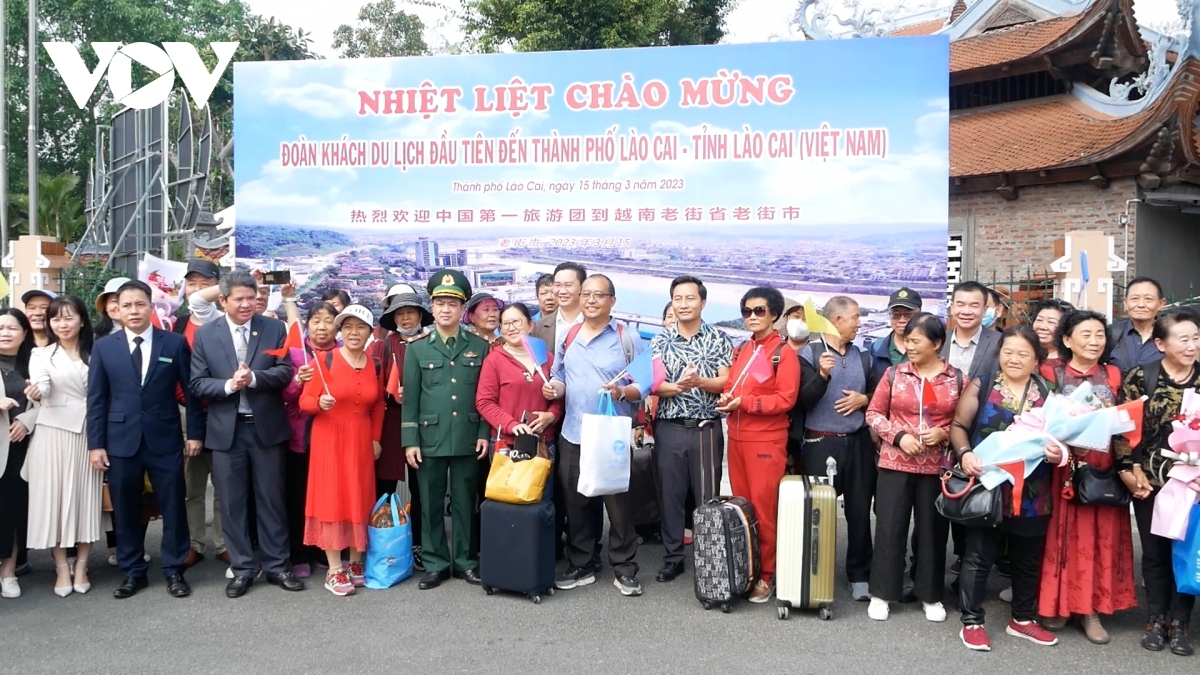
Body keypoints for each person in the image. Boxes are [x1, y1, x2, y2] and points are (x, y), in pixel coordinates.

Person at [87, 280, 203, 599]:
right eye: (127, 305)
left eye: (140, 304)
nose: (134, 310)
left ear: (151, 307)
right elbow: (96, 399)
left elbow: (191, 393)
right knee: (125, 508)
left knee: (172, 504)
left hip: (165, 437)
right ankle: (133, 571)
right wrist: (95, 444)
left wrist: (194, 433)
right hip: (120, 440)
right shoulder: (104, 348)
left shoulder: (174, 343)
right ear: (117, 311)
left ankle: (174, 569)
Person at [190, 271, 303, 598]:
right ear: (223, 301)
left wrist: (253, 379)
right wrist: (228, 385)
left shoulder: (273, 328)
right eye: (238, 299)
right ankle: (242, 569)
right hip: (227, 431)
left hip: (265, 427)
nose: (245, 304)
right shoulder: (207, 334)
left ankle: (277, 566)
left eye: (251, 298)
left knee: (271, 499)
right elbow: (197, 383)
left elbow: (285, 372)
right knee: (232, 502)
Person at [952, 326, 1061, 651]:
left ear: (1037, 359)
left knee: (1027, 559)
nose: (1013, 359)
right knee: (978, 555)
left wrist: (1059, 452)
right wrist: (965, 453)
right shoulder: (983, 385)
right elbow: (958, 426)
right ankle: (971, 621)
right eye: (1008, 352)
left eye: (1022, 353)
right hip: (989, 484)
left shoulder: (1048, 392)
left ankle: (1022, 619)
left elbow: (1061, 437)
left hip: (1033, 489)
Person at [545, 274, 649, 596]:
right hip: (573, 432)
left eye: (598, 295)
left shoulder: (627, 337)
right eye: (586, 294)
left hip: (610, 435)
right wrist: (554, 388)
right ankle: (583, 562)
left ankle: (625, 567)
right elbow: (559, 376)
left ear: (612, 301)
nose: (590, 300)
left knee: (618, 504)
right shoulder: (569, 334)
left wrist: (622, 391)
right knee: (576, 503)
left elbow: (643, 384)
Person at [1038, 310, 1137, 643]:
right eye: (1086, 334)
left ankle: (1090, 608)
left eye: (1099, 334)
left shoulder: (1114, 375)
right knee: (1061, 535)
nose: (1094, 341)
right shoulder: (1049, 373)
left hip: (1102, 464)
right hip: (1061, 465)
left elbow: (1126, 424)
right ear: (1067, 339)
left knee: (1098, 536)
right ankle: (1057, 605)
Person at [866, 312, 963, 623]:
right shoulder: (895, 374)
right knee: (889, 528)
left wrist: (944, 434)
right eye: (907, 340)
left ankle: (930, 595)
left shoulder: (956, 379)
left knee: (933, 532)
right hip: (895, 463)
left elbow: (962, 422)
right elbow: (873, 414)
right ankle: (882, 593)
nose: (909, 345)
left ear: (936, 343)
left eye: (916, 340)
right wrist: (899, 436)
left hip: (936, 467)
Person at [1114, 306, 1200, 656]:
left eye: (1196, 338)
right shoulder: (1141, 376)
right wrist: (1128, 470)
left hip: (1194, 484)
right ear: (1162, 344)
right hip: (1151, 482)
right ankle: (1157, 617)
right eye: (1183, 339)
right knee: (1153, 554)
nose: (1192, 345)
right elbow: (1124, 429)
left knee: (1186, 551)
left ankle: (1181, 622)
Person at [402, 269, 491, 590]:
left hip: (468, 436)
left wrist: (483, 432)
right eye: (439, 302)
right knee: (429, 502)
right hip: (429, 438)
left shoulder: (479, 346)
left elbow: (485, 396)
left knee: (467, 501)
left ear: (462, 308)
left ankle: (466, 561)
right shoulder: (417, 347)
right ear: (432, 306)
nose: (445, 309)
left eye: (452, 304)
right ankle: (436, 562)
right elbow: (410, 399)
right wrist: (410, 440)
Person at [718, 286, 800, 603]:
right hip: (737, 437)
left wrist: (746, 402)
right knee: (742, 508)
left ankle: (766, 575)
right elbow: (730, 385)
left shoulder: (783, 353)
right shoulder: (742, 350)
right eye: (747, 311)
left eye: (760, 311)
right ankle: (746, 569)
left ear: (775, 315)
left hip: (765, 440)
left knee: (764, 512)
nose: (752, 316)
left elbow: (786, 399)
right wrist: (727, 399)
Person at [648, 276, 731, 583]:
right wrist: (677, 387)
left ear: (703, 303)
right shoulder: (660, 341)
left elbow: (725, 381)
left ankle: (709, 556)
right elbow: (655, 385)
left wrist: (700, 383)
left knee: (707, 496)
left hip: (706, 429)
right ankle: (673, 558)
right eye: (678, 299)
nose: (683, 304)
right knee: (670, 494)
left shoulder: (719, 339)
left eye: (690, 298)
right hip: (670, 428)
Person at [798, 296, 879, 601]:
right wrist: (821, 376)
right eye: (855, 318)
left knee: (859, 511)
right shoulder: (810, 353)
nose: (859, 323)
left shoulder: (864, 356)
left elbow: (879, 394)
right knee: (820, 513)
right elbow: (802, 400)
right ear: (836, 320)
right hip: (821, 442)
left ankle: (860, 575)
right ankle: (816, 573)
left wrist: (864, 399)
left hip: (857, 443)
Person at [300, 304, 384, 596]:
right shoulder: (324, 360)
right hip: (330, 439)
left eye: (360, 327)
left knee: (359, 496)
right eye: (347, 327)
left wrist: (375, 438)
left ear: (370, 332)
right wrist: (318, 403)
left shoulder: (374, 363)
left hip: (360, 439)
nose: (353, 333)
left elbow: (378, 405)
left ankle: (356, 560)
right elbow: (305, 401)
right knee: (333, 497)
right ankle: (335, 569)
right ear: (340, 331)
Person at [25, 296, 103, 597]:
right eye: (56, 319)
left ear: (81, 320)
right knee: (54, 501)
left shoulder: (99, 352)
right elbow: (42, 386)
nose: (62, 324)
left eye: (69, 318)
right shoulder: (41, 354)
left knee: (85, 498)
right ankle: (60, 566)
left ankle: (82, 564)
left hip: (90, 434)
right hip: (52, 433)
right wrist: (36, 391)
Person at [374, 291, 432, 571]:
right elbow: (374, 385)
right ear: (393, 318)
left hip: (423, 424)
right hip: (391, 423)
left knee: (422, 487)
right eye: (400, 313)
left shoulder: (431, 342)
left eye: (411, 312)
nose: (406, 317)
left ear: (421, 316)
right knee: (384, 485)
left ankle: (421, 543)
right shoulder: (384, 346)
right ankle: (381, 538)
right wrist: (390, 394)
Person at [280, 301, 339, 579]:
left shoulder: (345, 354)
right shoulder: (294, 354)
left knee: (329, 498)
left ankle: (322, 549)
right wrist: (297, 383)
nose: (322, 326)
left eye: (328, 320)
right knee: (298, 498)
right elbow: (283, 396)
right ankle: (299, 553)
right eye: (316, 320)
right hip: (299, 438)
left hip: (334, 439)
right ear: (308, 323)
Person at [176, 259, 226, 570]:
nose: (197, 289)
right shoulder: (176, 325)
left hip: (222, 411)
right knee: (190, 485)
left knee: (225, 485)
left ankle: (223, 542)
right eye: (191, 283)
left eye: (204, 283)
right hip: (184, 415)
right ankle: (194, 542)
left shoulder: (225, 320)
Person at [475, 302, 563, 474]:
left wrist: (551, 415)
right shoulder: (494, 360)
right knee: (507, 496)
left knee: (542, 496)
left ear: (530, 325)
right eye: (506, 324)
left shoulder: (547, 357)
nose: (511, 328)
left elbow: (559, 396)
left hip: (543, 442)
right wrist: (511, 424)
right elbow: (484, 402)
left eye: (516, 322)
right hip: (507, 444)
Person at [0, 310, 37, 599]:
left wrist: (27, 419)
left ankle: (9, 571)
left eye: (13, 327)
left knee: (13, 509)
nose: (5, 332)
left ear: (24, 333)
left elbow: (52, 400)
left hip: (18, 449)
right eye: (0, 327)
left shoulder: (35, 363)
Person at [1109, 276, 1169, 377]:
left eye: (1148, 299)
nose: (1141, 305)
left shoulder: (1170, 335)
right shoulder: (1111, 334)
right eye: (1135, 299)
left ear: (1161, 304)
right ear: (1125, 303)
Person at [531, 262, 586, 349]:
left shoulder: (596, 323)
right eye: (557, 285)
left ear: (583, 287)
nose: (562, 291)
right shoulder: (538, 327)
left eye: (568, 285)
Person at [870, 288, 922, 380]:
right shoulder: (875, 350)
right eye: (896, 315)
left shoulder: (930, 349)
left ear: (920, 315)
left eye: (908, 315)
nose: (902, 320)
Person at [1031, 298, 1074, 370]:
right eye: (1039, 320)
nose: (1042, 327)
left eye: (1051, 322)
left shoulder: (1074, 359)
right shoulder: (1025, 352)